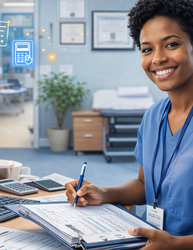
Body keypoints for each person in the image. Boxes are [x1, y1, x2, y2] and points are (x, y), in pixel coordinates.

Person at [65, 0, 193, 249]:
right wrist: (104, 193)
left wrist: (180, 244)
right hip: (142, 241)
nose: (157, 58)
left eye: (171, 44)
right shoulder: (154, 116)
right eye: (147, 49)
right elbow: (146, 185)